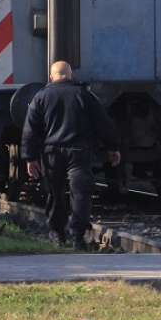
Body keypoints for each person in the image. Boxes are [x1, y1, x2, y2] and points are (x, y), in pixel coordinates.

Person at [20, 61, 121, 251]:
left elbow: (29, 131)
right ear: (71, 76)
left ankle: (57, 234)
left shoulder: (40, 97)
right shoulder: (84, 95)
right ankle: (78, 237)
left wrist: (30, 158)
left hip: (51, 154)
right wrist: (113, 147)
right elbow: (103, 123)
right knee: (81, 193)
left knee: (55, 194)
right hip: (79, 153)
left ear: (51, 78)